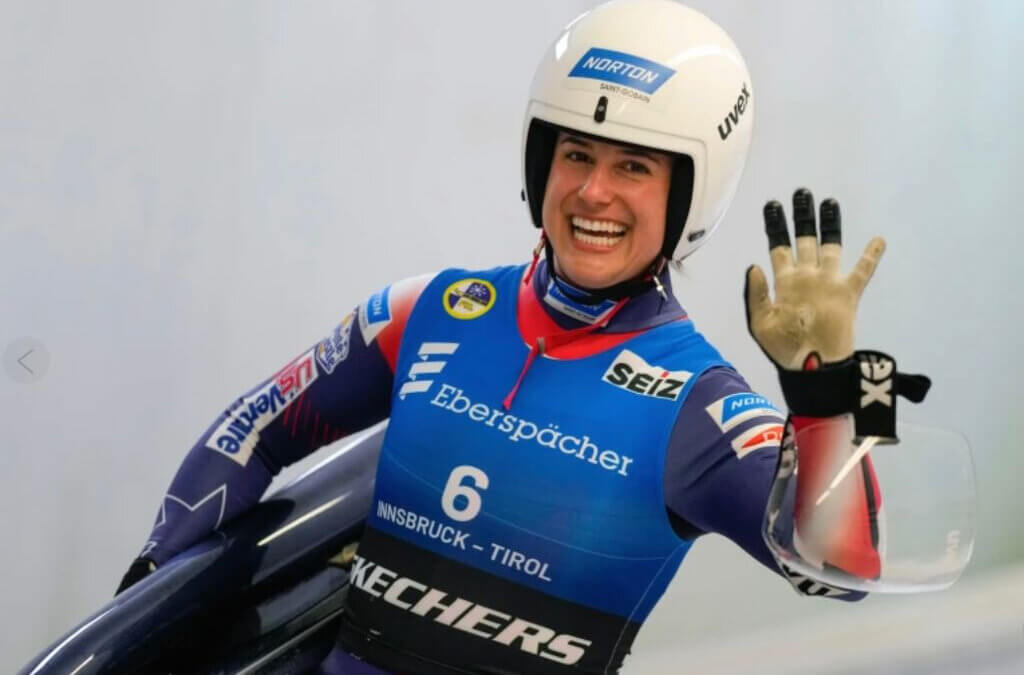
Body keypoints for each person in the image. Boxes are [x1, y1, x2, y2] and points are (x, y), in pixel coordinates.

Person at [117, 1, 892, 673]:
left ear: (689, 195)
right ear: (539, 160)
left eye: (634, 167)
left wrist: (836, 383)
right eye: (577, 154)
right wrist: (140, 616)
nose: (594, 191)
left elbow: (847, 568)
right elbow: (252, 431)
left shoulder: (699, 405)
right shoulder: (432, 309)